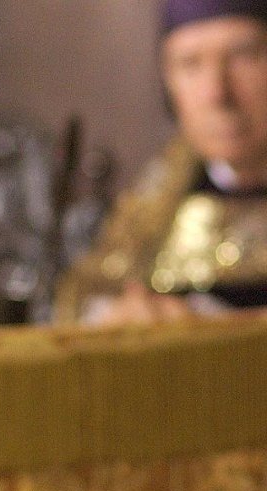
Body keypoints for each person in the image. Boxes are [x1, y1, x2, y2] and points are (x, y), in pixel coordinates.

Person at [57, 0, 267, 324]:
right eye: (190, 64)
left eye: (243, 56)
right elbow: (86, 298)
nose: (216, 93)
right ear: (167, 79)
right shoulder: (155, 199)